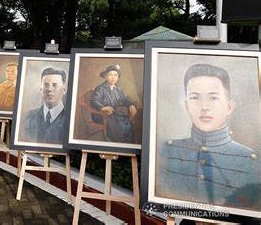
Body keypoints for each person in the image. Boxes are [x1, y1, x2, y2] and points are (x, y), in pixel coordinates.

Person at [158, 63, 259, 208]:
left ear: (229, 107)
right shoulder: (167, 151)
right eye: (195, 97)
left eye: (213, 98)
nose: (204, 106)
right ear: (186, 106)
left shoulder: (250, 160)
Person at [90, 64, 137, 143]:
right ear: (106, 76)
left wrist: (131, 104)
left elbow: (125, 98)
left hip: (113, 114)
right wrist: (102, 107)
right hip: (100, 114)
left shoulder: (118, 89)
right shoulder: (101, 88)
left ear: (118, 77)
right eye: (110, 75)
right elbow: (94, 100)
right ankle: (116, 144)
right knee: (118, 124)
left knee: (126, 122)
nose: (113, 77)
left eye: (115, 75)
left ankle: (127, 144)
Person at [22, 67, 67, 144]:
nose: (49, 89)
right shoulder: (28, 116)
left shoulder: (70, 119)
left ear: (64, 90)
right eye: (46, 85)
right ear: (40, 89)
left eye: (54, 85)